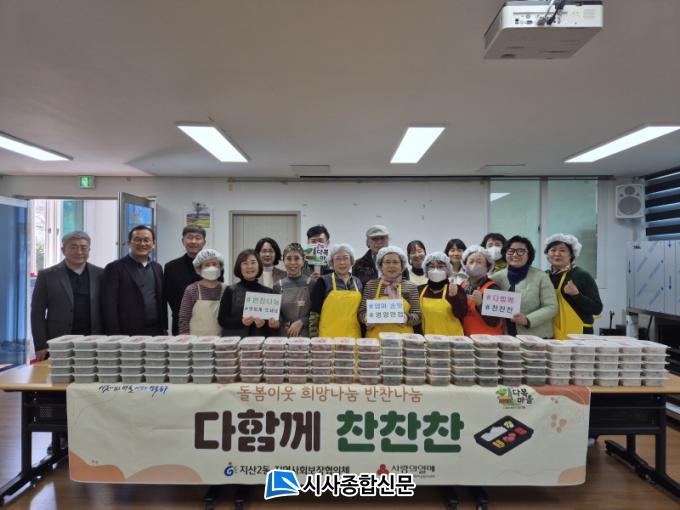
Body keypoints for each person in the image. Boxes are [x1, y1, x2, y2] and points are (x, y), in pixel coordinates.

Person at [30, 231, 104, 361]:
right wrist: (40, 344)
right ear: (63, 250)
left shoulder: (101, 274)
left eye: (84, 248)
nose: (79, 252)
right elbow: (37, 312)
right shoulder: (46, 275)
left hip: (94, 340)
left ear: (89, 250)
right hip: (58, 341)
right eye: (73, 247)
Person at [102, 225, 166, 335]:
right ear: (129, 243)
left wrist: (164, 327)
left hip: (155, 330)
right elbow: (109, 305)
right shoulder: (115, 268)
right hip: (127, 332)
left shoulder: (157, 268)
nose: (142, 244)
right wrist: (114, 334)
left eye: (146, 240)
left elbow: (161, 300)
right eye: (137, 240)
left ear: (153, 244)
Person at [491, 236, 557, 338]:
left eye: (521, 251)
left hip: (536, 338)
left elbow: (551, 307)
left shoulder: (541, 276)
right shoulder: (496, 277)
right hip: (506, 338)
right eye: (511, 251)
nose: (515, 254)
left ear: (529, 254)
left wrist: (528, 319)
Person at [164, 225, 220, 335]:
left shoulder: (214, 266)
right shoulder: (171, 267)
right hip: (181, 323)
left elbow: (217, 293)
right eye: (189, 237)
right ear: (183, 241)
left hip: (209, 322)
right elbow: (168, 297)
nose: (193, 241)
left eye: (198, 238)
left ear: (204, 242)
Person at [545, 234, 603, 339]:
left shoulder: (581, 275)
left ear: (571, 254)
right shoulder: (545, 276)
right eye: (553, 250)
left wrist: (576, 295)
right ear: (547, 254)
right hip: (551, 333)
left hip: (578, 334)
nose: (557, 254)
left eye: (562, 250)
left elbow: (597, 308)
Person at [359, 246, 421, 339]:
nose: (391, 266)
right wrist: (366, 318)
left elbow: (418, 316)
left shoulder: (410, 287)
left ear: (402, 266)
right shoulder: (371, 285)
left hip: (402, 340)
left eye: (395, 262)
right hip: (375, 340)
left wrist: (406, 318)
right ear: (380, 266)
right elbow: (362, 312)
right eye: (387, 262)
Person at [218, 249, 280, 337]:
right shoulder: (230, 290)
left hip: (261, 342)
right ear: (239, 267)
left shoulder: (269, 293)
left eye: (253, 262)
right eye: (245, 263)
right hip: (236, 342)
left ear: (259, 265)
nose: (250, 266)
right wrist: (241, 322)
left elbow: (274, 327)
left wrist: (270, 325)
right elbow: (222, 320)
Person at [309, 243, 363, 338]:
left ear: (351, 261)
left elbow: (361, 312)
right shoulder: (323, 281)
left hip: (353, 337)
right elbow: (314, 313)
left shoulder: (357, 282)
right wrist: (313, 338)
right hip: (328, 338)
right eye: (338, 259)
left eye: (345, 258)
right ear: (332, 263)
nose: (342, 262)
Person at [177, 249, 226, 336]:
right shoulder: (192, 289)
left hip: (220, 339)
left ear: (220, 266)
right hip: (195, 340)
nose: (211, 268)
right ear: (199, 269)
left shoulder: (226, 289)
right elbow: (184, 318)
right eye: (207, 265)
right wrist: (185, 337)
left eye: (214, 264)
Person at [418, 252, 467, 335]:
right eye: (432, 266)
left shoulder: (456, 289)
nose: (436, 270)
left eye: (440, 266)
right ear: (426, 270)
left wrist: (454, 297)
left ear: (448, 270)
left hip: (452, 340)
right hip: (428, 339)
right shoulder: (420, 290)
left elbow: (461, 314)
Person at [459, 245, 504, 335]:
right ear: (465, 265)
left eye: (479, 262)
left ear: (488, 266)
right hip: (468, 338)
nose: (474, 265)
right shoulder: (463, 285)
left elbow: (495, 321)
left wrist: (480, 304)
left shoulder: (493, 288)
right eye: (471, 261)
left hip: (488, 340)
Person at [274, 243, 315, 337]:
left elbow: (316, 312)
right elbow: (276, 313)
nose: (293, 263)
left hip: (306, 336)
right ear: (283, 261)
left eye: (296, 258)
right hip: (284, 335)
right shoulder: (277, 286)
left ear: (303, 261)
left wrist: (302, 321)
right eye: (288, 258)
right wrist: (282, 323)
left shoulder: (311, 284)